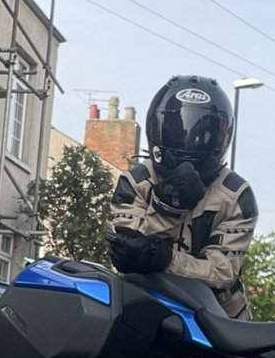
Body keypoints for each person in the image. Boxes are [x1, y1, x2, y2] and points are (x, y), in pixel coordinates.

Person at [106, 75, 257, 318]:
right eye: (177, 131)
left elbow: (221, 273)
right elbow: (130, 253)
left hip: (218, 319)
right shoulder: (135, 182)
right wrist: (166, 205)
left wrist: (163, 258)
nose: (188, 141)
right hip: (145, 307)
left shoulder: (236, 195)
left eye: (202, 133)